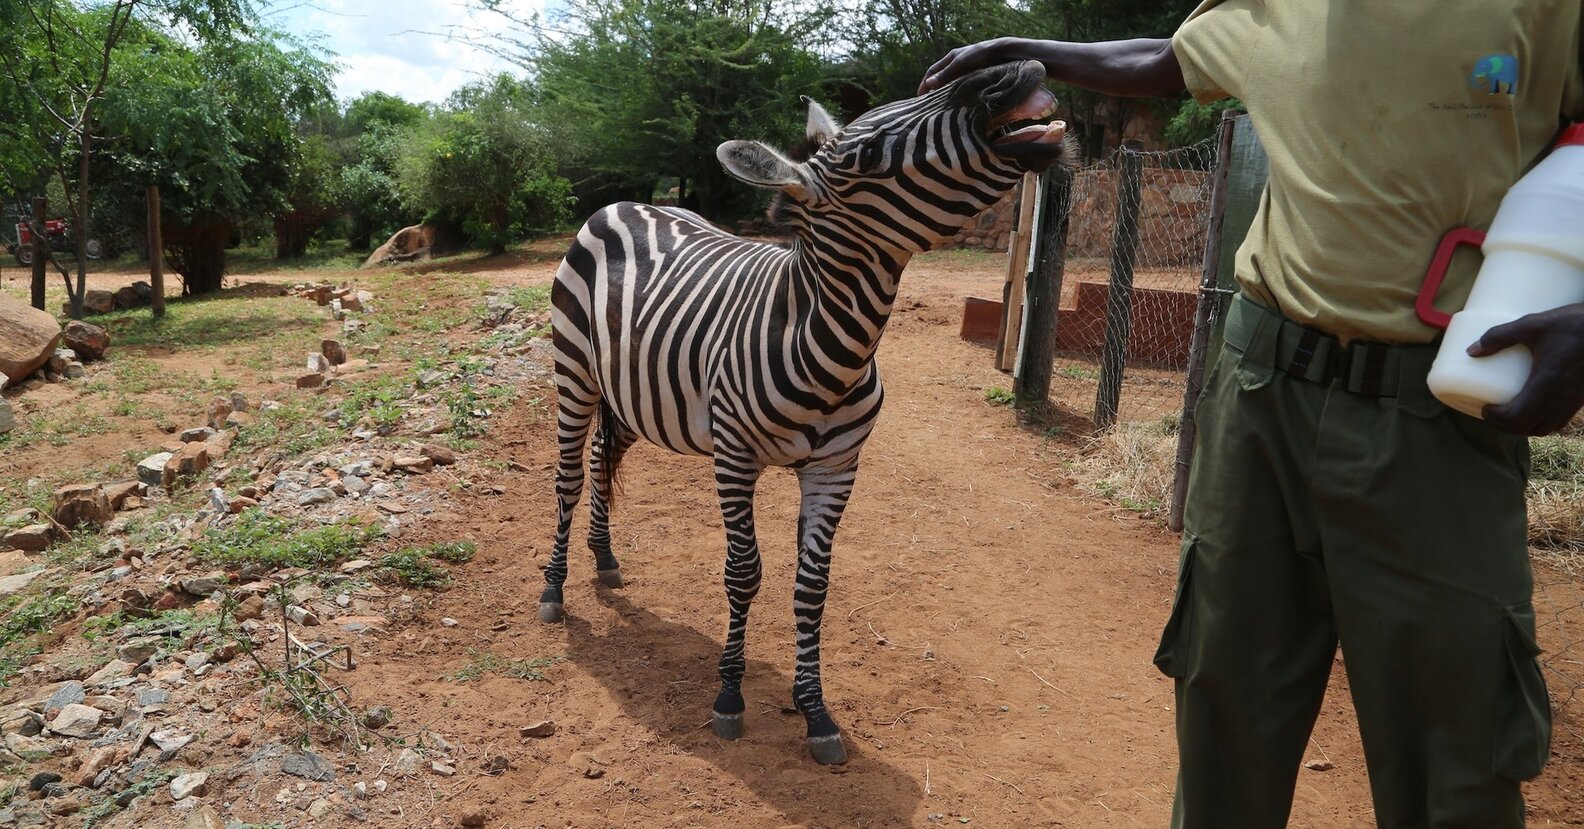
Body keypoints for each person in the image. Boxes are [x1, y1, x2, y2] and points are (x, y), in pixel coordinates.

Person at [920, 4, 1584, 828]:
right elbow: (1176, 56)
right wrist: (1033, 51)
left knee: (1457, 762)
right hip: (1259, 395)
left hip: (1440, 416)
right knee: (1223, 713)